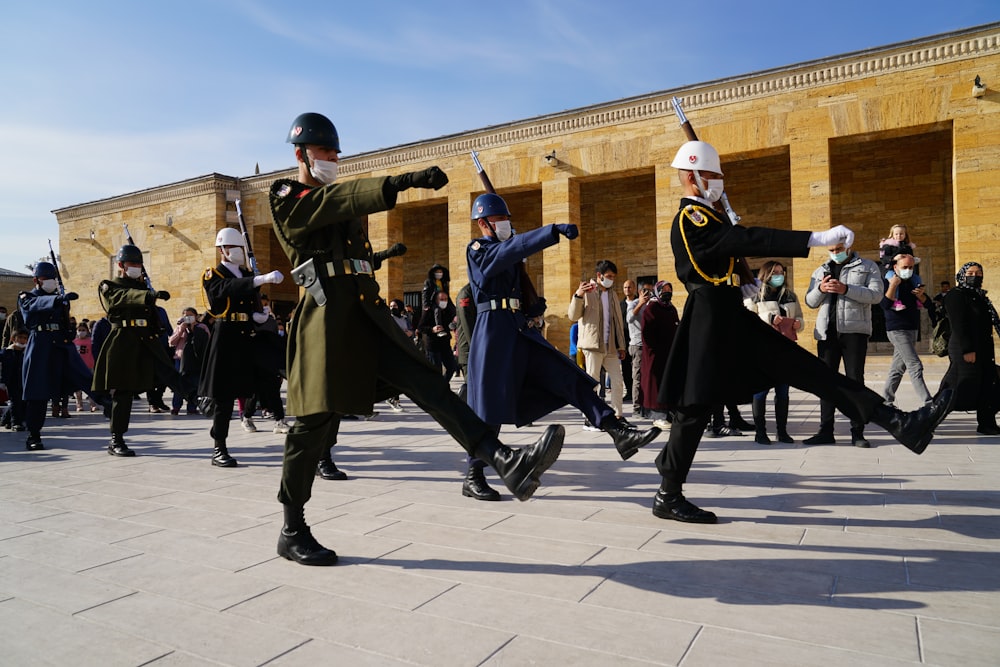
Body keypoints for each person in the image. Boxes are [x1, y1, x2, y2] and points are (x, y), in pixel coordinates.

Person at [268, 112, 564, 565]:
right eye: (326, 153)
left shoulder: (337, 203)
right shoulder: (286, 194)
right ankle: (292, 528)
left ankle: (503, 459)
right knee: (314, 425)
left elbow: (349, 230)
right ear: (301, 154)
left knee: (429, 383)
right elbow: (333, 203)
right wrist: (400, 181)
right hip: (326, 322)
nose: (333, 160)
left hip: (366, 318)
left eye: (335, 154)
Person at [653, 140, 953, 524]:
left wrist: (739, 282)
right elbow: (741, 240)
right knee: (693, 408)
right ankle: (668, 491)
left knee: (809, 370)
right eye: (713, 176)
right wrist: (815, 238)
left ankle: (899, 423)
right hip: (709, 317)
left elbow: (728, 250)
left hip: (727, 312)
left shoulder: (708, 216)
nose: (719, 183)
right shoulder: (692, 218)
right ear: (692, 178)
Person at [463, 192, 660, 500]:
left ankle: (616, 430)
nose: (506, 225)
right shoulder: (478, 249)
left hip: (519, 328)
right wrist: (550, 231)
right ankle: (473, 474)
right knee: (488, 408)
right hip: (493, 334)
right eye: (500, 220)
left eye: (507, 220)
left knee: (568, 376)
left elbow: (513, 271)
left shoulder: (506, 250)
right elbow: (502, 257)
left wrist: (532, 307)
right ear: (483, 223)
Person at [200, 227, 285, 467]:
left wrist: (256, 315)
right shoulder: (213, 274)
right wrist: (258, 280)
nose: (239, 252)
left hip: (248, 335)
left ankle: (272, 416)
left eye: (241, 248)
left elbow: (248, 301)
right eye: (235, 248)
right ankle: (219, 448)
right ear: (223, 250)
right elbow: (222, 292)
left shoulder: (246, 272)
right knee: (225, 396)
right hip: (225, 337)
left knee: (263, 380)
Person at [92, 245, 187, 456]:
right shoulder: (109, 286)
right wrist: (147, 295)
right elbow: (120, 299)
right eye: (131, 264)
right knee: (123, 392)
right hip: (124, 341)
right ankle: (116, 439)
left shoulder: (144, 287)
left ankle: (199, 400)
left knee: (170, 373)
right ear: (121, 265)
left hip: (147, 340)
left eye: (138, 264)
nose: (135, 267)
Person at [803, 236, 884, 447]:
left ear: (848, 247)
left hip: (854, 331)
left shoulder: (868, 266)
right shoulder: (821, 269)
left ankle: (857, 432)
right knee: (825, 382)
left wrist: (846, 289)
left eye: (838, 248)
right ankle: (825, 431)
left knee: (854, 380)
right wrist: (820, 289)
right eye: (831, 249)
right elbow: (810, 302)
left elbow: (876, 295)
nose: (835, 252)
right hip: (826, 333)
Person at [18, 262, 102, 451]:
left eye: (53, 278)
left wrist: (69, 328)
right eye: (45, 278)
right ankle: (34, 435)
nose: (50, 282)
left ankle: (108, 405)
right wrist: (56, 300)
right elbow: (31, 307)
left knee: (84, 376)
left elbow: (65, 325)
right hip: (40, 344)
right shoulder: (27, 296)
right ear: (36, 280)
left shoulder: (61, 298)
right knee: (36, 392)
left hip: (61, 345)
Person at [744, 261, 803, 444]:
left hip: (785, 350)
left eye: (781, 272)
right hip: (763, 350)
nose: (779, 275)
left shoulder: (790, 295)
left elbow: (799, 316)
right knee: (760, 392)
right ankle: (760, 432)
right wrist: (768, 318)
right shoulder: (755, 295)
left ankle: (782, 431)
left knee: (783, 392)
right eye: (774, 272)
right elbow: (747, 319)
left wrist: (799, 324)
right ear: (765, 275)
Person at [939, 262, 1000, 435]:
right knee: (957, 387)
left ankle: (987, 423)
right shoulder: (955, 295)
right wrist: (967, 349)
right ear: (962, 275)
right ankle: (927, 419)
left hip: (984, 349)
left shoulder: (980, 297)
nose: (975, 276)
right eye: (971, 273)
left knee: (989, 384)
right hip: (964, 349)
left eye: (979, 273)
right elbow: (959, 324)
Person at [569, 260, 628, 427]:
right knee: (593, 382)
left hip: (610, 347)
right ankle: (589, 417)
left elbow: (617, 321)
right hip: (593, 345)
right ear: (599, 275)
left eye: (613, 277)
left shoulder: (612, 295)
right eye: (608, 276)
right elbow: (573, 315)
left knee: (617, 381)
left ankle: (617, 416)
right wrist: (578, 295)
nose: (611, 280)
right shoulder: (587, 291)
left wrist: (621, 346)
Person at [881, 254, 934, 408]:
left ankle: (886, 401)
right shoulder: (887, 281)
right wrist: (893, 286)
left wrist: (921, 296)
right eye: (905, 267)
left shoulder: (914, 282)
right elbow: (884, 305)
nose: (908, 270)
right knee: (915, 365)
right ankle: (929, 403)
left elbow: (928, 303)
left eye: (911, 267)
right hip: (896, 329)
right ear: (895, 267)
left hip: (912, 328)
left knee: (898, 368)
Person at [640, 281, 678, 429]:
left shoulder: (671, 308)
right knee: (654, 384)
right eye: (664, 290)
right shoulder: (652, 308)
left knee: (668, 383)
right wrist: (654, 348)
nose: (667, 292)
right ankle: (657, 416)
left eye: (669, 289)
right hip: (655, 354)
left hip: (669, 353)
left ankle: (669, 412)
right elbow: (647, 332)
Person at [168, 307, 210, 415]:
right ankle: (176, 406)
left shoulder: (202, 327)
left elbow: (207, 341)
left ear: (195, 316)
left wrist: (194, 329)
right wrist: (181, 330)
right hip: (180, 360)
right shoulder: (180, 327)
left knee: (195, 384)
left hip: (196, 361)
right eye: (185, 316)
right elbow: (171, 342)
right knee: (179, 384)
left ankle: (192, 407)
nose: (188, 318)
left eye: (190, 316)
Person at [418, 290, 458, 383]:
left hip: (445, 344)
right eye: (441, 299)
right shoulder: (429, 311)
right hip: (433, 345)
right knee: (437, 371)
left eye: (446, 299)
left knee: (451, 368)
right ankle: (439, 390)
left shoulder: (449, 310)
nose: (444, 301)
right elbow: (420, 327)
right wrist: (432, 329)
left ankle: (442, 386)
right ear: (436, 300)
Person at [0, 329, 29, 431]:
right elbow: (2, 368)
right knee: (15, 401)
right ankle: (16, 423)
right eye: (20, 337)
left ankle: (5, 419)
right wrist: (2, 381)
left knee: (22, 401)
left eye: (25, 338)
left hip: (24, 381)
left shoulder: (27, 352)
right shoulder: (6, 352)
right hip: (11, 381)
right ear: (13, 339)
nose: (22, 340)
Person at [73, 321, 97, 412]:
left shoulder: (90, 342)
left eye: (83, 330)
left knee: (91, 386)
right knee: (77, 389)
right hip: (77, 367)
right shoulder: (74, 342)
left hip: (89, 366)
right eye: (79, 330)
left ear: (87, 331)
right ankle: (79, 405)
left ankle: (93, 404)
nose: (81, 332)